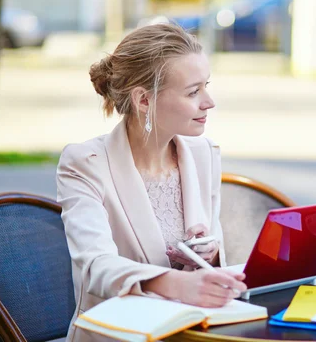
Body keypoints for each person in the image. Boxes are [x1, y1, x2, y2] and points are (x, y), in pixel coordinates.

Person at [56, 23, 247, 342]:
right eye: (193, 91)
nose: (209, 102)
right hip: (120, 334)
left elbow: (213, 258)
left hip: (196, 330)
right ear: (143, 100)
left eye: (206, 86)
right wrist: (174, 282)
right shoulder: (85, 163)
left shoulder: (203, 154)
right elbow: (96, 267)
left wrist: (209, 254)